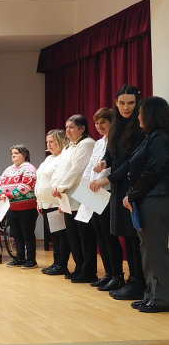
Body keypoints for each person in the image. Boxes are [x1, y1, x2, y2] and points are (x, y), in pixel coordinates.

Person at [93, 85, 146, 301]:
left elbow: (133, 161)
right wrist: (105, 162)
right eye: (122, 103)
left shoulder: (141, 126)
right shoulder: (116, 124)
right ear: (116, 103)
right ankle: (132, 280)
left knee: (134, 237)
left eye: (130, 103)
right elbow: (111, 152)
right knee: (126, 235)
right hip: (118, 187)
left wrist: (109, 178)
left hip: (132, 185)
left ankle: (139, 282)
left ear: (137, 103)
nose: (126, 107)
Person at [123, 96, 169, 313]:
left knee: (154, 249)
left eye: (141, 112)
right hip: (148, 197)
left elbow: (154, 170)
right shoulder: (151, 137)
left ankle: (162, 298)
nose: (138, 116)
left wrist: (133, 194)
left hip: (155, 198)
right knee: (148, 249)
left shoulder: (160, 137)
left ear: (150, 114)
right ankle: (152, 294)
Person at [51, 115, 97, 282]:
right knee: (73, 236)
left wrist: (60, 187)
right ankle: (79, 267)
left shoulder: (87, 144)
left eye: (71, 127)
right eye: (66, 128)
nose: (68, 131)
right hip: (67, 198)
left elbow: (77, 170)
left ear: (82, 128)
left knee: (85, 236)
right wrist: (54, 185)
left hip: (81, 197)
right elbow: (59, 170)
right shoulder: (68, 148)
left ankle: (88, 270)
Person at [86, 109, 125, 292]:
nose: (99, 126)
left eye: (103, 122)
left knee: (109, 235)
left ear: (112, 123)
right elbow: (91, 166)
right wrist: (87, 184)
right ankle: (108, 273)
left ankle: (117, 275)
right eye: (96, 123)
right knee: (100, 234)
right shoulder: (99, 143)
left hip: (107, 191)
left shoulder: (117, 140)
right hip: (93, 191)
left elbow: (110, 167)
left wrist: (99, 181)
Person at [35, 129, 70, 275]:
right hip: (46, 203)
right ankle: (56, 263)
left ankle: (61, 264)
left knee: (61, 235)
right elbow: (41, 180)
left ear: (60, 141)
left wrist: (62, 203)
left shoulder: (63, 158)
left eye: (52, 142)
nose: (49, 145)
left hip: (56, 203)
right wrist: (39, 201)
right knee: (54, 235)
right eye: (47, 142)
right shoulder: (48, 158)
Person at [0, 145, 38, 268]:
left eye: (16, 153)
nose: (13, 155)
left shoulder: (29, 168)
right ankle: (19, 258)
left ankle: (31, 260)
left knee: (28, 234)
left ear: (24, 155)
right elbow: (0, 183)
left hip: (27, 208)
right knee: (16, 234)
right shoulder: (8, 169)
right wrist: (0, 194)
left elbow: (26, 186)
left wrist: (9, 195)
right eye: (12, 154)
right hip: (11, 207)